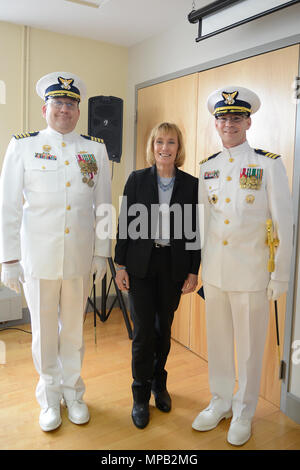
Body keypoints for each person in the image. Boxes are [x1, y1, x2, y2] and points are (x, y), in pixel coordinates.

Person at [0, 72, 111, 431]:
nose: (64, 109)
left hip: (78, 258)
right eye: (58, 103)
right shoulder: (23, 146)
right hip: (39, 260)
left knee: (74, 332)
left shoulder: (95, 149)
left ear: (79, 110)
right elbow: (9, 207)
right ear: (45, 108)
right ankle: (49, 397)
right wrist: (9, 259)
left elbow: (104, 204)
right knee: (45, 332)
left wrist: (101, 253)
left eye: (71, 104)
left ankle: (73, 392)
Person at [193, 86, 293, 445]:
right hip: (217, 273)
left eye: (236, 117)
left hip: (253, 273)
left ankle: (244, 410)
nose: (229, 124)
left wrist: (280, 274)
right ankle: (220, 401)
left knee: (249, 348)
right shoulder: (208, 167)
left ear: (248, 121)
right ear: (216, 125)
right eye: (223, 118)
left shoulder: (268, 163)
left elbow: (284, 222)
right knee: (219, 343)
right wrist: (198, 269)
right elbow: (202, 224)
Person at [114, 122, 200, 429]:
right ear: (152, 146)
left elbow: (194, 231)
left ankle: (158, 383)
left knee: (164, 330)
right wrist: (119, 265)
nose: (165, 148)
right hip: (140, 266)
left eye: (171, 142)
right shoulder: (137, 180)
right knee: (143, 333)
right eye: (159, 142)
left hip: (173, 267)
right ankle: (139, 396)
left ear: (179, 148)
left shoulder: (191, 184)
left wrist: (193, 270)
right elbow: (124, 224)